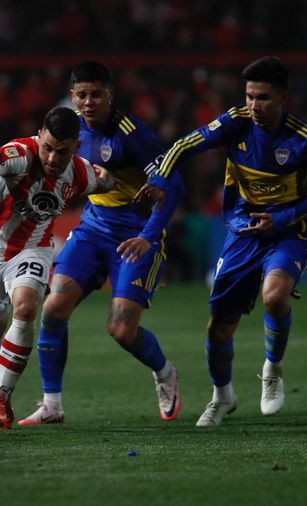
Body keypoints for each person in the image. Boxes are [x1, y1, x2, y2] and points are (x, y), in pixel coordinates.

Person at [136, 56, 307, 426]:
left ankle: (273, 369)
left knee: (274, 296)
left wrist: (283, 217)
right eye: (249, 96)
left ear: (282, 98)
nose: (254, 106)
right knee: (218, 326)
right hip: (242, 232)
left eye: (262, 98)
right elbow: (183, 146)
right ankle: (222, 396)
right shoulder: (235, 123)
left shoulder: (304, 138)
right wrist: (161, 177)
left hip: (287, 233)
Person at [18, 61, 185, 426]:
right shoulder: (70, 129)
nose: (89, 102)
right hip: (93, 229)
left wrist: (148, 236)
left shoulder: (133, 136)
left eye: (96, 94)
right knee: (53, 307)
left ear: (110, 94)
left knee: (121, 330)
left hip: (135, 236)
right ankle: (52, 405)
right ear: (72, 96)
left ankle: (164, 371)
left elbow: (174, 186)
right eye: (82, 95)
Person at [0, 106, 115, 430]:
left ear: (76, 147)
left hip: (32, 250)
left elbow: (107, 181)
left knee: (27, 306)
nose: (51, 158)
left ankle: (0, 394)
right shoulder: (18, 155)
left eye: (61, 152)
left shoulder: (79, 173)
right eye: (47, 147)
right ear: (39, 138)